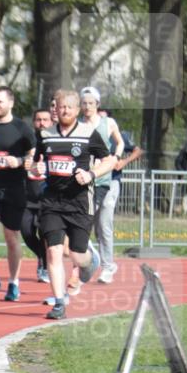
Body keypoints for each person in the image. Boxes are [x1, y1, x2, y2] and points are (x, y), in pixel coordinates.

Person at [34, 89, 116, 320]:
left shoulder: (89, 133)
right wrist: (36, 169)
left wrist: (91, 174)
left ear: (77, 110)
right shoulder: (45, 134)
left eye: (69, 107)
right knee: (53, 252)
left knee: (77, 255)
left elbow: (110, 160)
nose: (65, 111)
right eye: (61, 107)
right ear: (55, 109)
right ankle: (60, 302)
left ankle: (92, 260)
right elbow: (35, 163)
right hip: (52, 201)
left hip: (80, 202)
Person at [0, 86, 37, 302]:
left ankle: (14, 282)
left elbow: (33, 156)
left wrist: (20, 161)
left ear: (10, 103)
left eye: (0, 102)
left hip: (14, 189)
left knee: (12, 238)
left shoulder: (22, 129)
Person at [79, 87, 124, 282]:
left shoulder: (108, 123)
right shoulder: (78, 125)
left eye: (91, 103)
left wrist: (116, 157)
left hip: (108, 180)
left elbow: (120, 142)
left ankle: (107, 267)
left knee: (104, 222)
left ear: (97, 105)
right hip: (87, 180)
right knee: (84, 222)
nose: (87, 106)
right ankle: (89, 259)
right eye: (84, 103)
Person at [97, 126, 143, 283]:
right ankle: (93, 261)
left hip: (111, 182)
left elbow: (137, 150)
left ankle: (107, 266)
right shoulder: (85, 130)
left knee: (105, 224)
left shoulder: (118, 135)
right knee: (91, 226)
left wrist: (123, 161)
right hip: (90, 182)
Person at [21, 108, 53, 283]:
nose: (42, 123)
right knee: (26, 231)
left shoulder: (54, 141)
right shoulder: (27, 139)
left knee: (45, 233)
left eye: (45, 120)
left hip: (47, 196)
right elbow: (17, 158)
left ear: (51, 122)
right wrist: (22, 163)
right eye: (38, 120)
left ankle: (46, 267)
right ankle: (42, 255)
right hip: (27, 196)